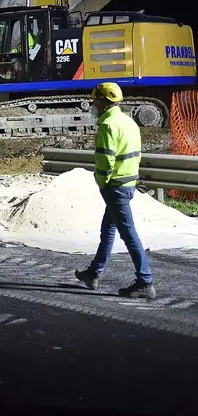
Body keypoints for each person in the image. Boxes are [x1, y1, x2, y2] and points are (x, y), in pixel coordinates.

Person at [75, 82, 155, 299]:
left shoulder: (108, 125)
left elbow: (105, 159)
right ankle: (93, 273)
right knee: (108, 230)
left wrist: (102, 182)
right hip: (128, 184)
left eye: (95, 101)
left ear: (103, 102)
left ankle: (145, 282)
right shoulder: (128, 123)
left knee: (128, 234)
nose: (93, 105)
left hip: (115, 187)